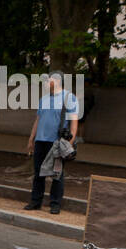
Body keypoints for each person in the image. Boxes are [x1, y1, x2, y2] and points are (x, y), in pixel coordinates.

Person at [24, 71, 80, 215]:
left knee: (57, 174)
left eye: (48, 80)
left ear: (56, 81)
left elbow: (74, 121)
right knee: (38, 173)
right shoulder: (44, 99)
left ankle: (55, 204)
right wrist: (32, 138)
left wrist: (69, 143)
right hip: (41, 140)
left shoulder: (69, 98)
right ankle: (36, 201)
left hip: (56, 143)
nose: (45, 83)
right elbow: (38, 119)